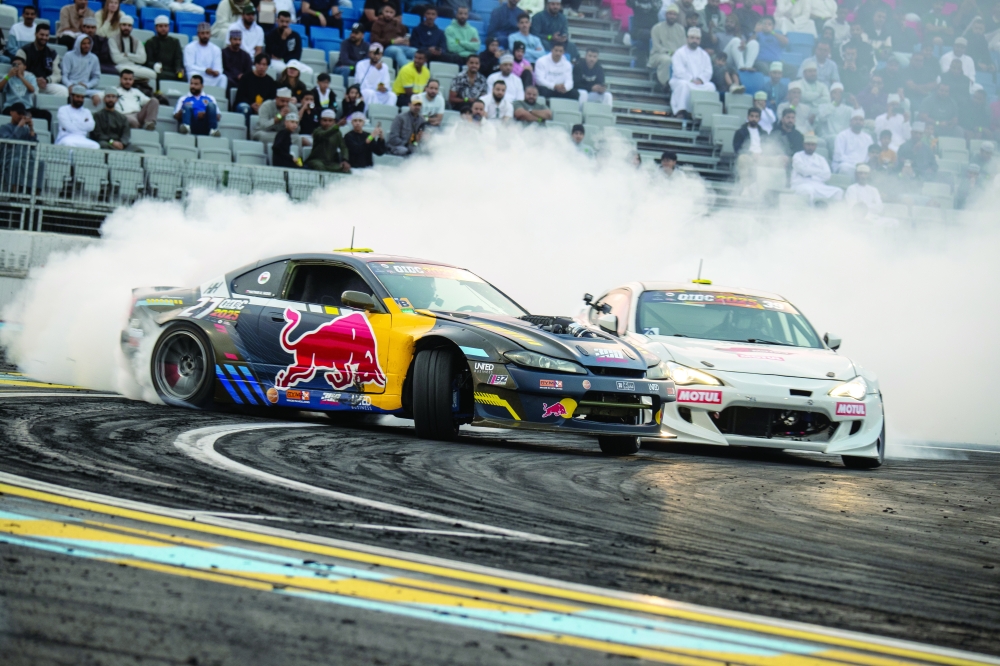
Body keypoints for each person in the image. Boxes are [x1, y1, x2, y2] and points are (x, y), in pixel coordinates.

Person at [669, 28, 715, 118]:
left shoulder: (704, 54)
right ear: (687, 39)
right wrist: (691, 79)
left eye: (697, 39)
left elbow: (708, 71)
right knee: (684, 85)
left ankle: (703, 113)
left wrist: (701, 80)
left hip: (699, 83)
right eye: (692, 38)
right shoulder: (679, 53)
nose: (695, 40)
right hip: (683, 80)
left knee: (711, 86)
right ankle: (681, 111)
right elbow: (678, 71)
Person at [791, 133, 842, 204]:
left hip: (818, 186)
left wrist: (809, 172)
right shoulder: (797, 156)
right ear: (804, 145)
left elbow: (827, 175)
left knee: (838, 191)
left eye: (812, 145)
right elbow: (803, 171)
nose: (810, 147)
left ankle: (834, 213)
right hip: (801, 184)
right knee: (808, 190)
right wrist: (819, 172)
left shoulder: (821, 159)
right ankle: (810, 213)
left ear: (816, 146)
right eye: (808, 144)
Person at [0, 56, 52, 124]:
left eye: (19, 64)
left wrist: (21, 76)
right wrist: (9, 76)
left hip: (26, 107)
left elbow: (32, 90)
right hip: (11, 107)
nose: (17, 66)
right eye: (14, 64)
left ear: (25, 67)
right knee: (7, 112)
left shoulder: (30, 77)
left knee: (47, 115)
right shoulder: (7, 76)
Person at [109, 15, 156, 83]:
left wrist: (126, 54)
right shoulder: (112, 40)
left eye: (129, 26)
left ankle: (132, 80)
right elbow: (116, 59)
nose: (126, 28)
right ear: (119, 26)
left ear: (132, 27)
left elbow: (142, 59)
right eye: (124, 25)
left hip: (135, 66)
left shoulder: (137, 41)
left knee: (153, 74)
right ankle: (136, 80)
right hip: (120, 66)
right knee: (125, 73)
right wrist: (134, 57)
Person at [648, 5, 686, 88]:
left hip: (676, 56)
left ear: (677, 16)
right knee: (667, 60)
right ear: (666, 15)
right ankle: (665, 84)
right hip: (658, 55)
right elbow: (657, 47)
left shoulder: (681, 29)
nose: (672, 16)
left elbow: (684, 47)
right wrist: (670, 52)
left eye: (674, 14)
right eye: (670, 14)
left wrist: (677, 54)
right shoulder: (656, 28)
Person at [61, 35, 102, 106]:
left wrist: (87, 85)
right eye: (84, 43)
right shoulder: (68, 56)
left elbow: (96, 78)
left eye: (88, 43)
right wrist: (69, 85)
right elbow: (64, 75)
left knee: (104, 95)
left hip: (85, 88)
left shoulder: (94, 58)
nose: (87, 46)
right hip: (71, 86)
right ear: (78, 44)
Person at [184, 23, 227, 89]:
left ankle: (219, 97)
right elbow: (189, 66)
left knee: (223, 78)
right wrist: (205, 70)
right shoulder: (190, 47)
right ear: (198, 34)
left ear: (210, 34)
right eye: (202, 33)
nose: (205, 36)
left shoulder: (216, 49)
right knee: (193, 75)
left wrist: (216, 72)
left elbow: (219, 68)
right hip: (198, 74)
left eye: (207, 33)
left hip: (211, 77)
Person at [236, 53, 278, 120]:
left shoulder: (271, 81)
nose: (261, 67)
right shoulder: (245, 78)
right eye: (259, 64)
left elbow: (271, 99)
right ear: (255, 64)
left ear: (267, 66)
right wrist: (251, 104)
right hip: (247, 105)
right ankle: (246, 130)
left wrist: (262, 106)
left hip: (264, 107)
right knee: (245, 108)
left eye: (264, 64)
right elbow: (240, 96)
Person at [145, 15, 185, 84]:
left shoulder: (175, 42)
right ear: (156, 28)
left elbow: (178, 58)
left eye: (165, 26)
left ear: (169, 27)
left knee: (182, 77)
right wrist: (155, 66)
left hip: (173, 71)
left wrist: (178, 69)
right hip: (158, 71)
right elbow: (148, 61)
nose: (163, 29)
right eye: (160, 26)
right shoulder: (150, 42)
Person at [832, 109, 872, 175]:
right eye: (855, 119)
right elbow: (838, 156)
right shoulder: (842, 135)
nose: (858, 122)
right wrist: (856, 163)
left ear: (863, 123)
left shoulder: (868, 138)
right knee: (844, 168)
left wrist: (863, 164)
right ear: (850, 122)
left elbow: (869, 155)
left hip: (862, 166)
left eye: (861, 120)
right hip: (846, 164)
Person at [372, 5, 413, 69]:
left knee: (416, 52)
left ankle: (418, 74)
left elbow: (405, 37)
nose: (388, 14)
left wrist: (406, 42)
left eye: (391, 12)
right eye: (386, 12)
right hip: (386, 48)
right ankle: (407, 72)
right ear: (382, 12)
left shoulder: (399, 25)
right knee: (397, 51)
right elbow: (374, 40)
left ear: (395, 14)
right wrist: (392, 41)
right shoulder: (377, 23)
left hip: (401, 46)